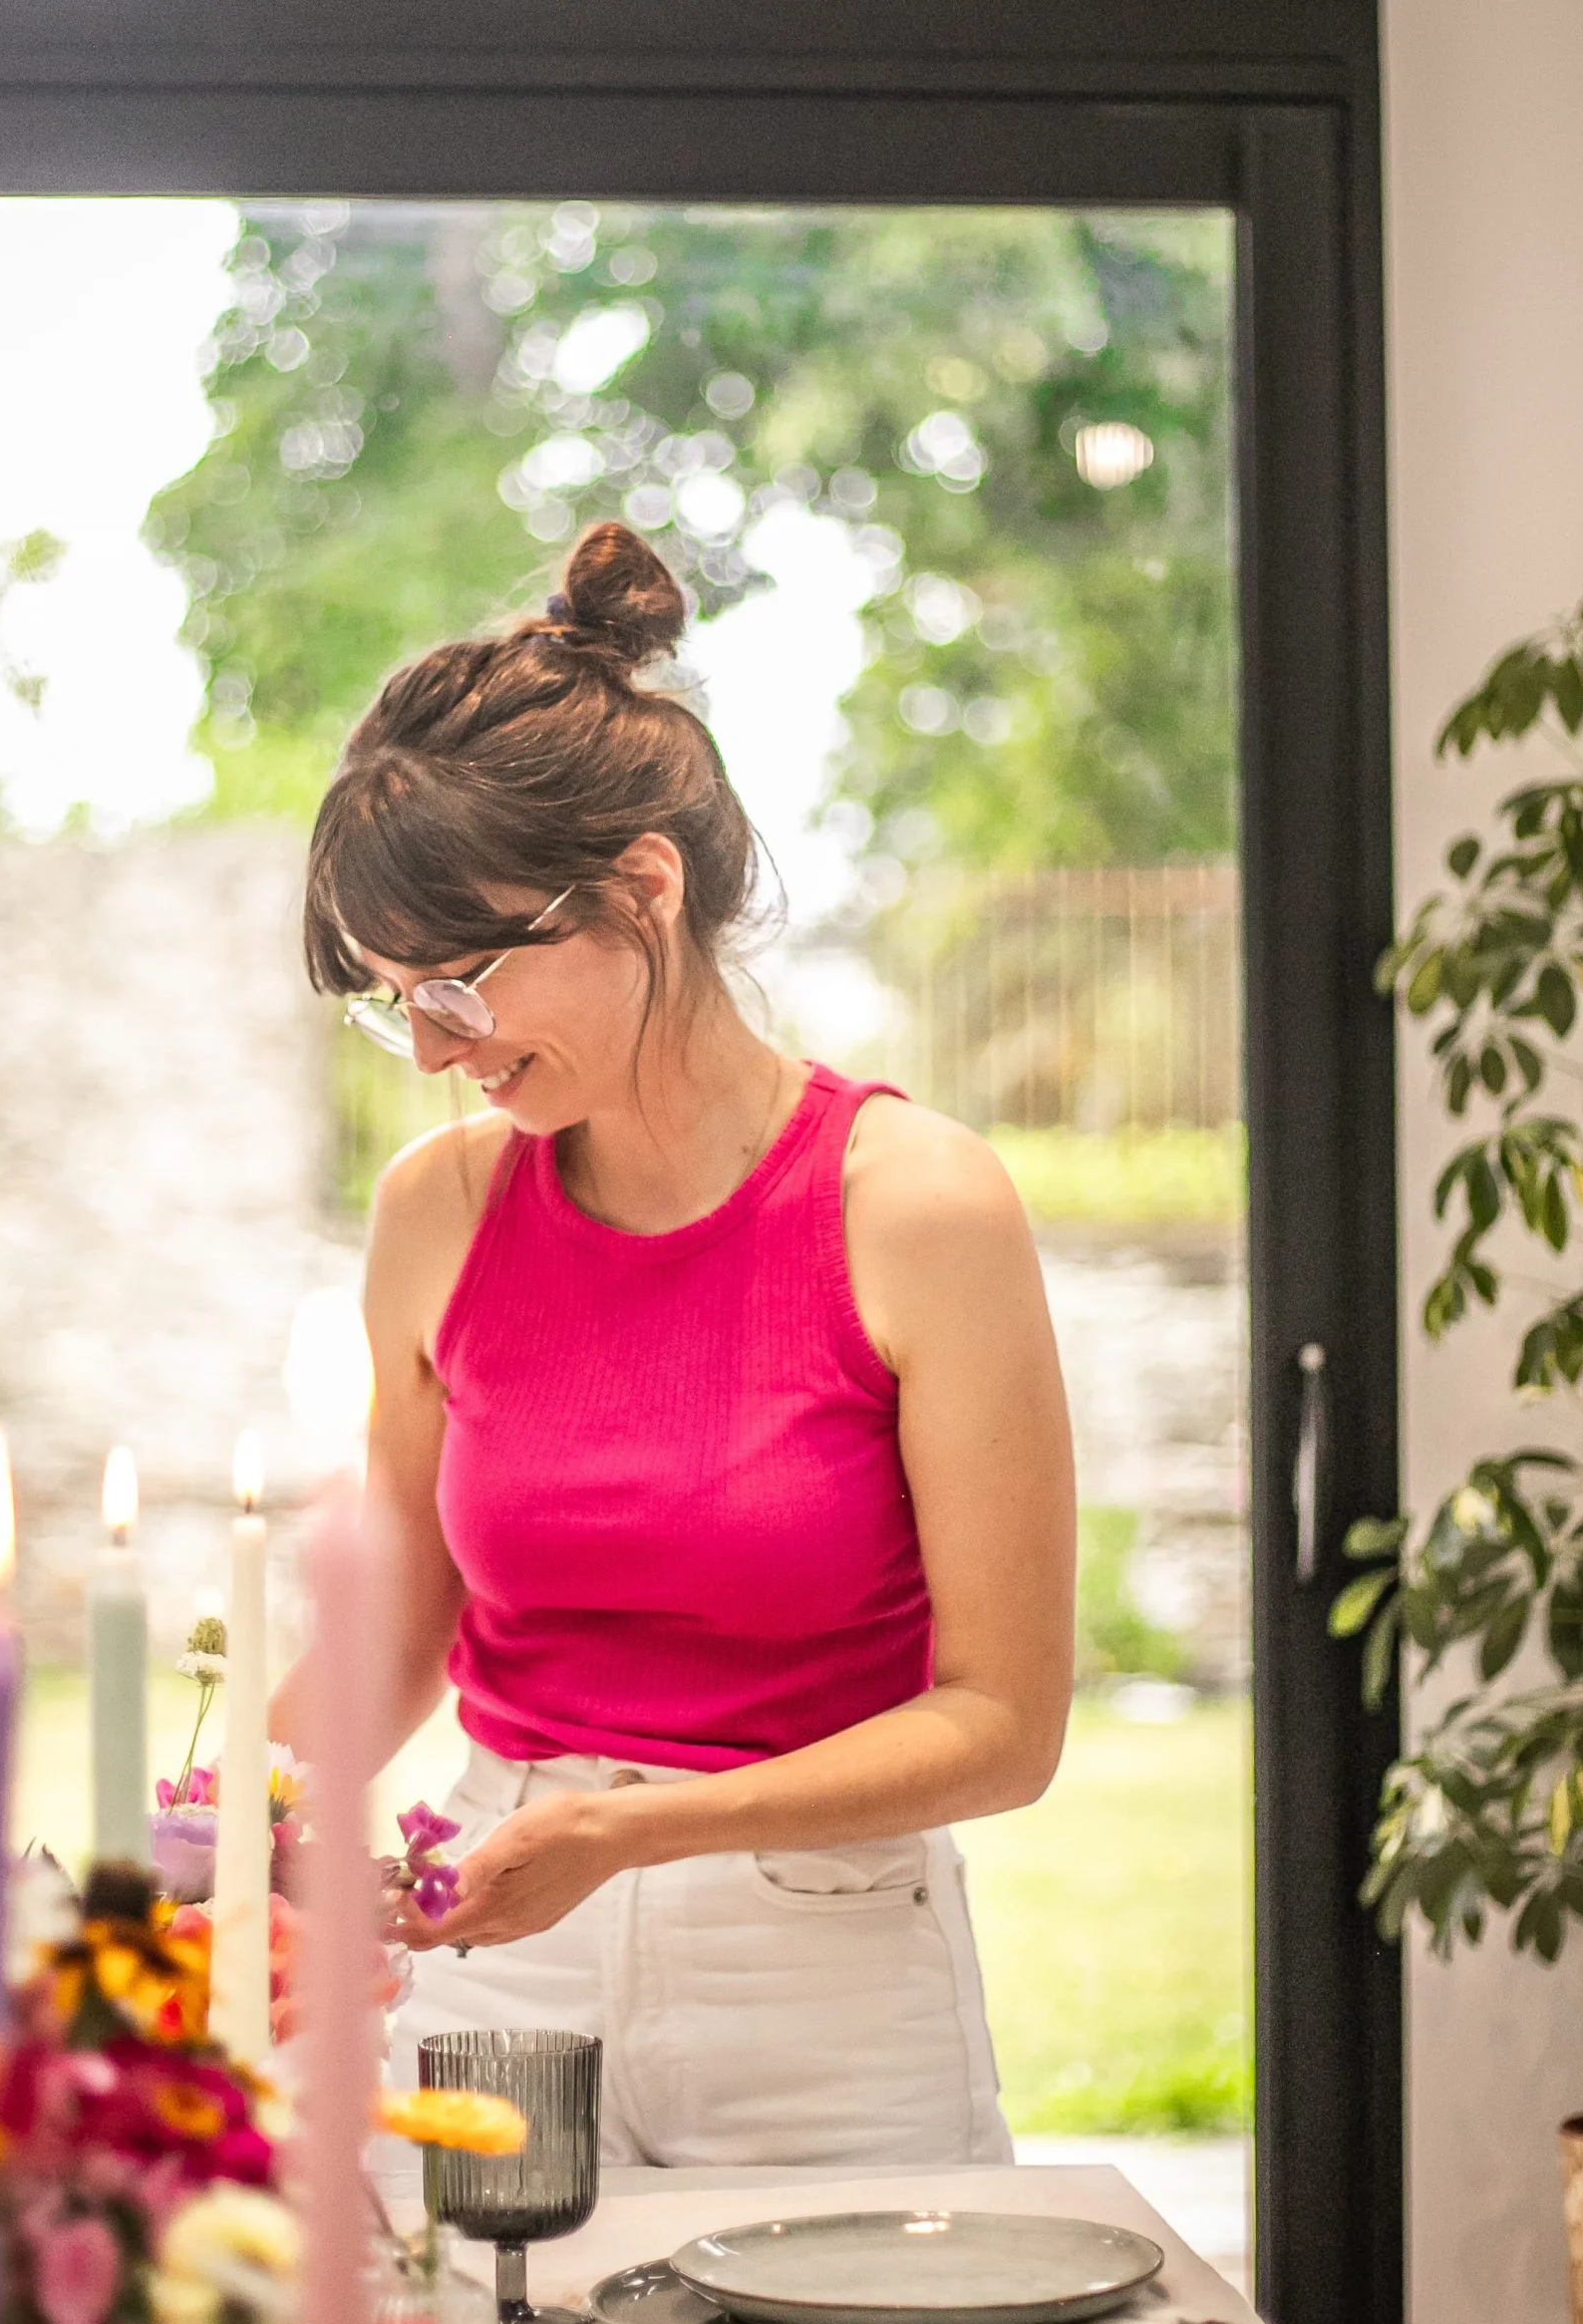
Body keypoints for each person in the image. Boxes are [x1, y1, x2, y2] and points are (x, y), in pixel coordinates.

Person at [284, 519, 1076, 2168]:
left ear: (644, 886)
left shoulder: (918, 1208)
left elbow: (1005, 1724)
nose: (433, 1050)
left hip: (828, 1972)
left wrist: (628, 1834)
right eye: (390, 999)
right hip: (492, 1936)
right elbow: (405, 1631)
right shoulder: (436, 1214)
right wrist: (243, 1809)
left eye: (464, 983)